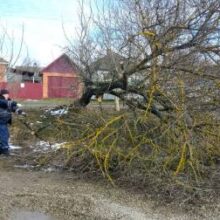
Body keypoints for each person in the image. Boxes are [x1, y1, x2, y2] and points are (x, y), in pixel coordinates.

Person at [0, 89, 26, 155]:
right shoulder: (1, 100)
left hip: (4, 122)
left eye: (7, 94)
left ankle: (2, 148)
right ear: (2, 95)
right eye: (5, 94)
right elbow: (5, 103)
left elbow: (13, 107)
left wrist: (20, 112)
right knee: (4, 135)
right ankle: (5, 150)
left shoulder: (8, 100)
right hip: (1, 121)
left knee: (6, 135)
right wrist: (14, 103)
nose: (7, 95)